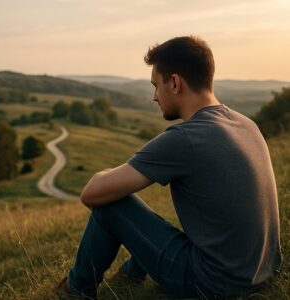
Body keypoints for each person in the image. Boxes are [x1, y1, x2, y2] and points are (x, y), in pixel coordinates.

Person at [52, 36, 282, 299]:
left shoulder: (185, 138)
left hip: (214, 285)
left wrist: (105, 174)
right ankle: (131, 273)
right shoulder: (245, 124)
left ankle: (76, 290)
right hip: (263, 270)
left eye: (155, 85)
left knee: (111, 206)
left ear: (174, 83)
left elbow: (91, 194)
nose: (154, 96)